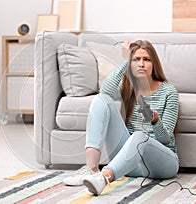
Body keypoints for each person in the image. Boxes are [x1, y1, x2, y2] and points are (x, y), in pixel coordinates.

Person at [63, 40, 179, 196]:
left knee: (140, 137)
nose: (141, 64)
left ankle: (104, 178)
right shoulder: (128, 88)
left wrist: (155, 121)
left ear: (154, 64)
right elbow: (105, 92)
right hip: (131, 163)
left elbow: (166, 139)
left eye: (146, 59)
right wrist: (125, 60)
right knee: (101, 100)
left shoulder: (169, 91)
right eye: (136, 60)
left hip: (163, 163)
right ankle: (92, 170)